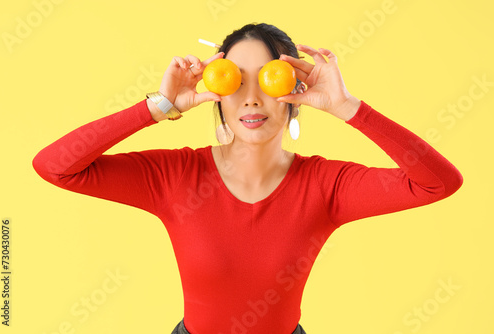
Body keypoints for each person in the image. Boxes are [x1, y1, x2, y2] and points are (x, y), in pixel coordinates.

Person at [32, 23, 463, 334]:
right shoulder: (175, 177)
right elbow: (55, 166)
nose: (252, 97)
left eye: (269, 80)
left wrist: (347, 106)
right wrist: (160, 104)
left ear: (295, 94)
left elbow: (438, 183)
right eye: (236, 80)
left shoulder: (325, 186)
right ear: (217, 93)